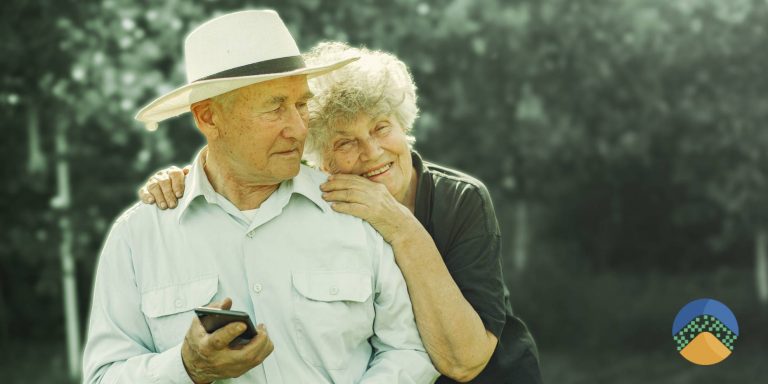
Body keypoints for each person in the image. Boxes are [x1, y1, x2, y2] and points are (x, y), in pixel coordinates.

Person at [141, 42, 543, 383]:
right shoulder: (324, 200)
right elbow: (239, 168)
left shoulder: (461, 199)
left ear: (404, 124)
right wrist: (187, 180)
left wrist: (400, 224)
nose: (372, 153)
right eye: (345, 142)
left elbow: (465, 361)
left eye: (382, 128)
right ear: (319, 160)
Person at [82, 11, 438, 384]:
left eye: (302, 104)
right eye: (274, 107)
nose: (300, 128)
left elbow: (408, 351)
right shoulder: (138, 238)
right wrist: (186, 369)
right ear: (208, 118)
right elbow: (104, 376)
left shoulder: (355, 208)